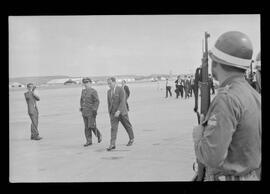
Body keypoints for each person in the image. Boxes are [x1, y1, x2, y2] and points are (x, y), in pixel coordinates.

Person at [192, 31, 261, 181]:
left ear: (216, 63)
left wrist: (198, 137)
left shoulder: (226, 98)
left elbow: (211, 157)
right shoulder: (254, 95)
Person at [106, 77, 134, 151]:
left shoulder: (120, 89)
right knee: (113, 128)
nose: (109, 85)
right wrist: (110, 112)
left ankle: (131, 138)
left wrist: (118, 111)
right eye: (108, 83)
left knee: (127, 126)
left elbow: (123, 101)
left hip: (122, 113)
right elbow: (109, 103)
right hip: (113, 114)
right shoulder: (108, 92)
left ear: (114, 82)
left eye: (110, 83)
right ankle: (112, 144)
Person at [80, 77, 102, 147]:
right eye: (84, 83)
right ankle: (89, 141)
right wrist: (81, 107)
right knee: (86, 127)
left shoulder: (93, 91)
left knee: (91, 125)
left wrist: (95, 109)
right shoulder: (83, 91)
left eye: (87, 83)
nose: (86, 84)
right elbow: (81, 100)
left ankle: (98, 135)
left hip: (91, 112)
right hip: (84, 112)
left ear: (90, 83)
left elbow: (97, 101)